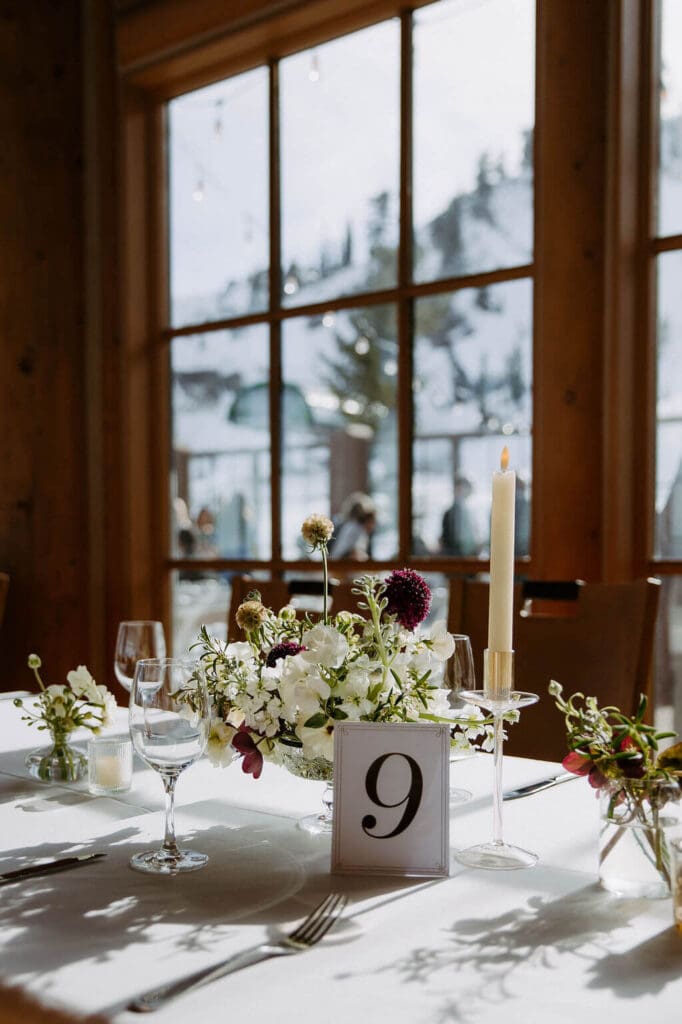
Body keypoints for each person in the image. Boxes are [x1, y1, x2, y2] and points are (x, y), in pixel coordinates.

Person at [328, 492, 377, 561]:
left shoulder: (348, 527)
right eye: (372, 521)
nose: (373, 526)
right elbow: (355, 554)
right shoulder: (355, 529)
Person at [440, 475, 479, 557]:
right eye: (459, 488)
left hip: (469, 556)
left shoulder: (470, 512)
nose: (462, 491)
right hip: (454, 557)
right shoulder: (449, 513)